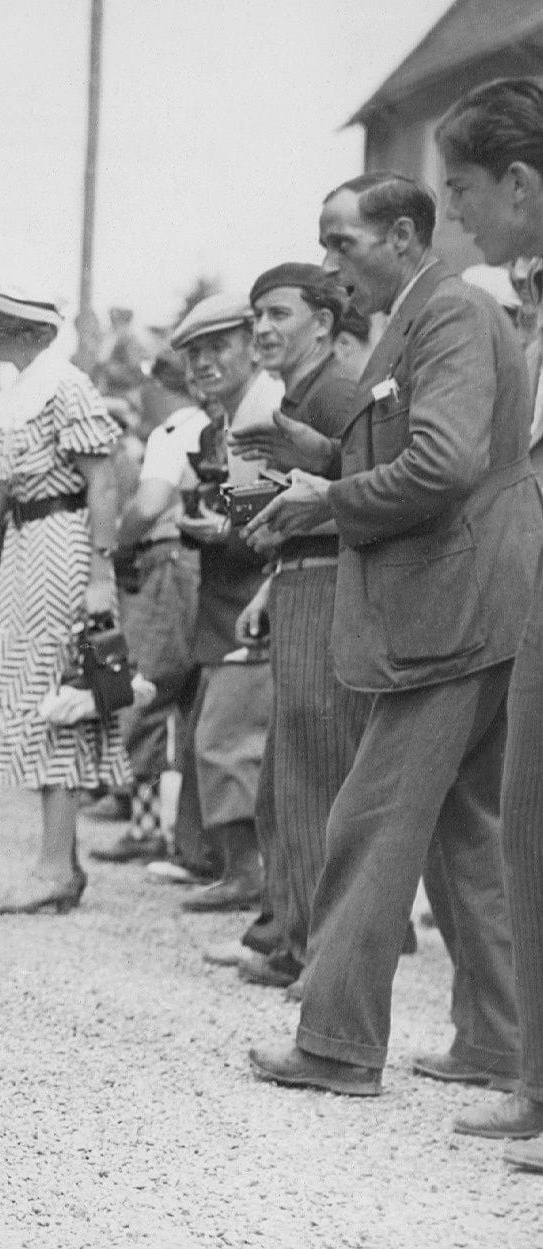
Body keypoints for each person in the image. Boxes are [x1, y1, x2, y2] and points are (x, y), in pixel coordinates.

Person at [245, 172, 540, 1101]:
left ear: (406, 235)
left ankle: (336, 1042)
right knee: (468, 833)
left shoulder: (444, 315)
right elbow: (421, 443)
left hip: (451, 609)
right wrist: (322, 457)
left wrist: (327, 498)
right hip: (482, 600)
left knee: (367, 823)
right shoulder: (428, 314)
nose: (332, 266)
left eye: (344, 243)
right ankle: (495, 1038)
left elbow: (444, 462)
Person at [435, 78, 543, 1160]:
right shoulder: (528, 285)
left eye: (462, 189)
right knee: (524, 828)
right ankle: (534, 1079)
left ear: (519, 181)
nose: (455, 212)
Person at [0, 282, 128, 915]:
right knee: (34, 696)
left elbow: (104, 483)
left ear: (37, 332)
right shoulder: (17, 397)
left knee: (58, 696)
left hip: (64, 541)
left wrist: (101, 572)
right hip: (26, 545)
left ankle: (55, 866)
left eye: (6, 322)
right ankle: (63, 862)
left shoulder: (68, 388)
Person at [225, 264, 372, 992]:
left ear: (323, 320)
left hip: (334, 581)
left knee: (315, 771)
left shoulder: (339, 392)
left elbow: (376, 476)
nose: (263, 328)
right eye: (258, 315)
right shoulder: (297, 393)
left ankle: (320, 953)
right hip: (301, 578)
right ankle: (290, 937)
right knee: (289, 772)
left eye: (279, 312)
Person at [149, 295, 279, 917]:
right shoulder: (218, 426)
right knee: (219, 740)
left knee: (227, 742)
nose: (203, 363)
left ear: (253, 343)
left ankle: (251, 877)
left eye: (218, 347)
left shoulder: (264, 415)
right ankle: (243, 874)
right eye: (193, 352)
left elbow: (269, 520)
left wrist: (215, 529)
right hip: (223, 602)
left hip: (259, 602)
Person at [92, 352, 202, 865]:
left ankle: (146, 826)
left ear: (159, 387)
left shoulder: (171, 432)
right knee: (188, 699)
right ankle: (192, 837)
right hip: (198, 566)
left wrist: (115, 540)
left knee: (145, 691)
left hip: (164, 561)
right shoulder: (210, 423)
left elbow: (150, 504)